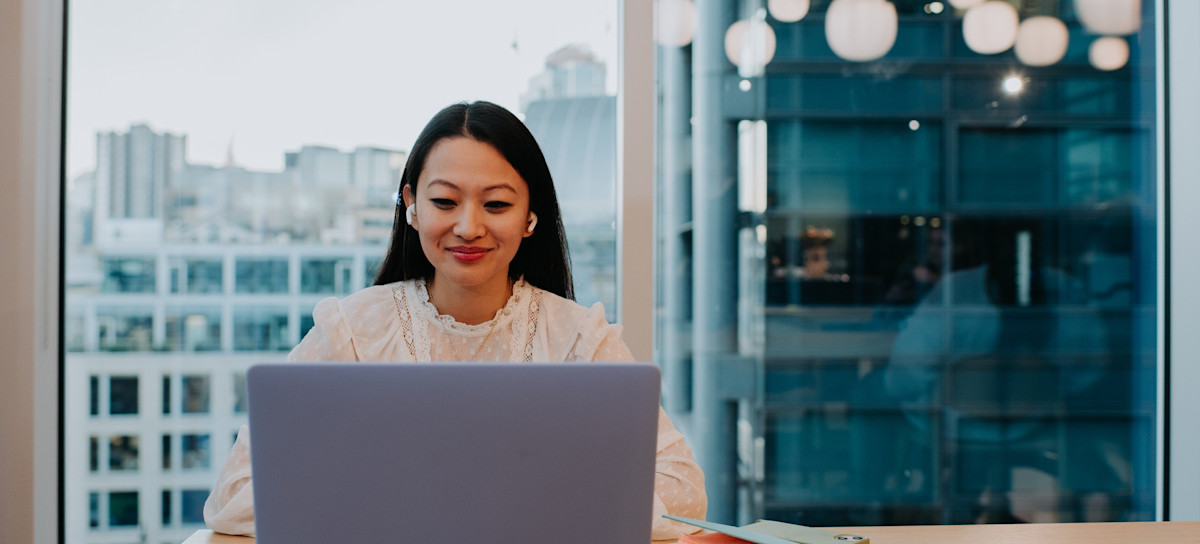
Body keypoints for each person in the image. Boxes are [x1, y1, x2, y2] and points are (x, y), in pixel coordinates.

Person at [202, 101, 707, 540]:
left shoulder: (581, 339)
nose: (469, 227)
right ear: (411, 206)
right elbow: (236, 495)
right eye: (445, 201)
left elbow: (683, 490)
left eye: (497, 204)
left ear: (531, 216)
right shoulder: (352, 332)